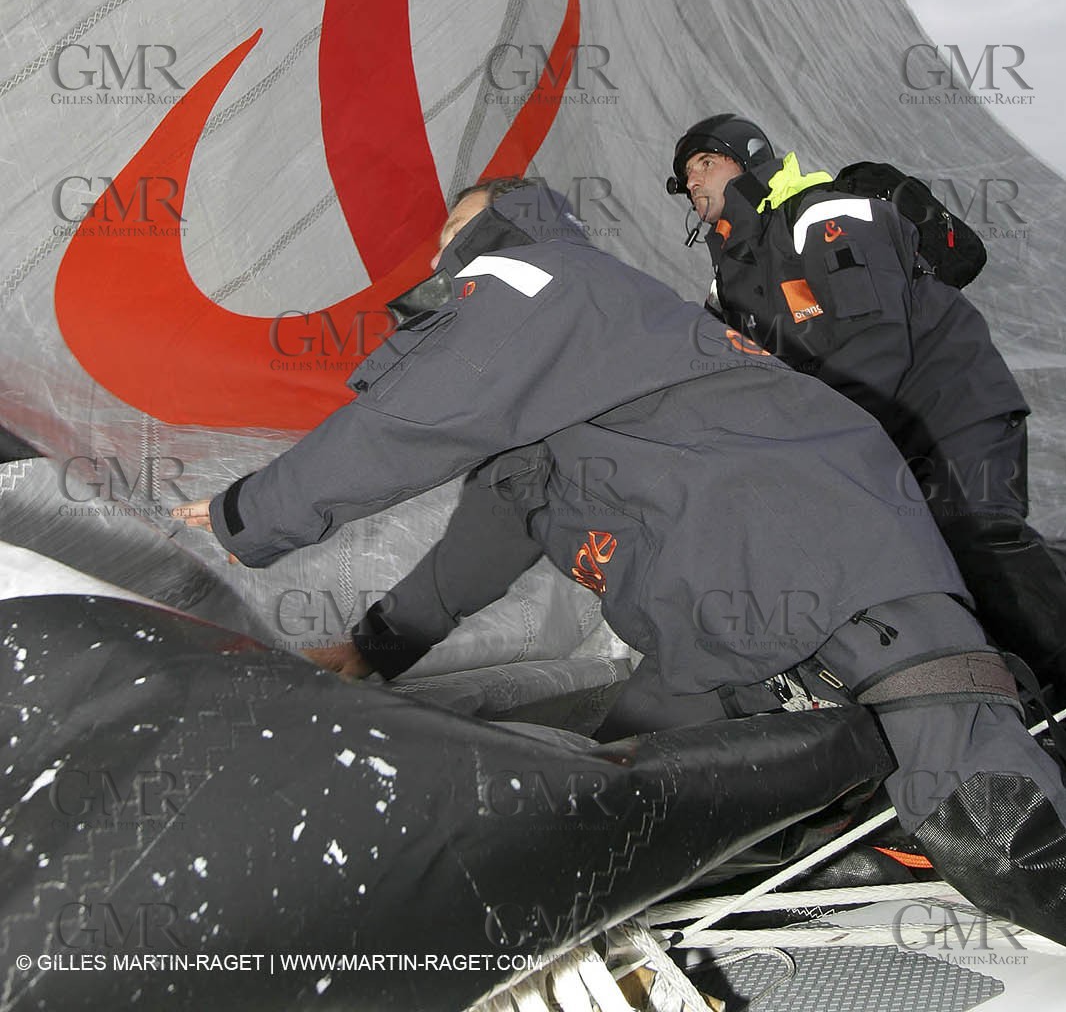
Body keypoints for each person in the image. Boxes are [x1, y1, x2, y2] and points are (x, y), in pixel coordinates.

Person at [174, 179, 1066, 943]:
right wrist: (376, 648)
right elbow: (484, 540)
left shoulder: (542, 278)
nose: (444, 250)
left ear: (512, 222)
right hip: (719, 632)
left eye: (459, 228)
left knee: (992, 818)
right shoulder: (560, 383)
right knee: (607, 806)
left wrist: (247, 515)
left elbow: (411, 419)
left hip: (828, 560)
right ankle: (851, 828)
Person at [665, 112, 1066, 699]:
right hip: (873, 436)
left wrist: (827, 449)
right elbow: (728, 384)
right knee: (918, 576)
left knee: (979, 538)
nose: (693, 181)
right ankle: (1011, 704)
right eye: (685, 176)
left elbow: (873, 336)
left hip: (947, 407)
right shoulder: (729, 284)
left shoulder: (824, 213)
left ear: (748, 160)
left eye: (705, 162)